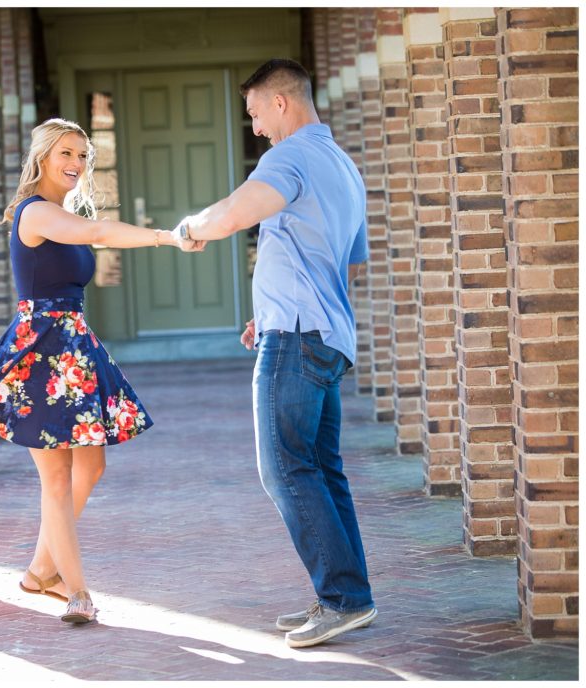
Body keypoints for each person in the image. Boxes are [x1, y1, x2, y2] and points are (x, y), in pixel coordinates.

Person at [0, 118, 203, 625]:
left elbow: (87, 232)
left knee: (91, 467)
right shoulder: (35, 213)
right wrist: (167, 236)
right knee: (56, 478)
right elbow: (97, 231)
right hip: (39, 353)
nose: (76, 164)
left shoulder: (61, 211)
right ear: (44, 156)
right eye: (67, 153)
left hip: (74, 348)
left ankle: (38, 572)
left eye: (83, 156)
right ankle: (78, 593)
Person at [172, 59, 376, 648]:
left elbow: (237, 212)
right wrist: (274, 306)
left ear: (281, 103)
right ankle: (348, 595)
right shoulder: (343, 165)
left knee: (283, 468)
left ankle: (341, 599)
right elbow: (345, 261)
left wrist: (192, 228)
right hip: (325, 336)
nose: (256, 127)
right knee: (322, 471)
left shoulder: (288, 158)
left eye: (256, 112)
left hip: (294, 340)